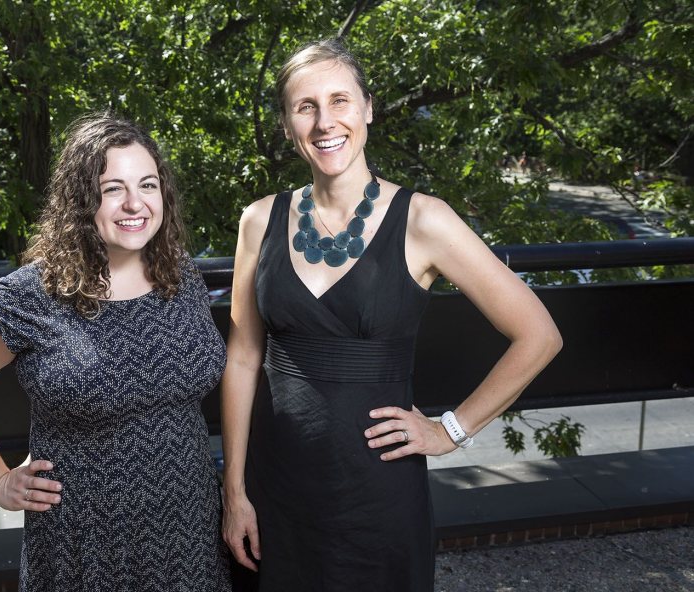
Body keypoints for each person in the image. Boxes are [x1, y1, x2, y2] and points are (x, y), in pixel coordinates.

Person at [220, 39, 562, 591]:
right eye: (305, 106)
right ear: (287, 123)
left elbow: (539, 336)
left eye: (340, 100)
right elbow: (241, 360)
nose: (325, 121)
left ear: (367, 109)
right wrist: (234, 491)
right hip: (274, 491)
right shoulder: (259, 221)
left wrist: (451, 430)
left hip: (375, 497)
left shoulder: (425, 220)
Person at [0, 113, 231, 591]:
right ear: (81, 199)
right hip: (84, 546)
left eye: (147, 185)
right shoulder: (30, 295)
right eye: (113, 188)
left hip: (189, 536)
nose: (135, 203)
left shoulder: (182, 277)